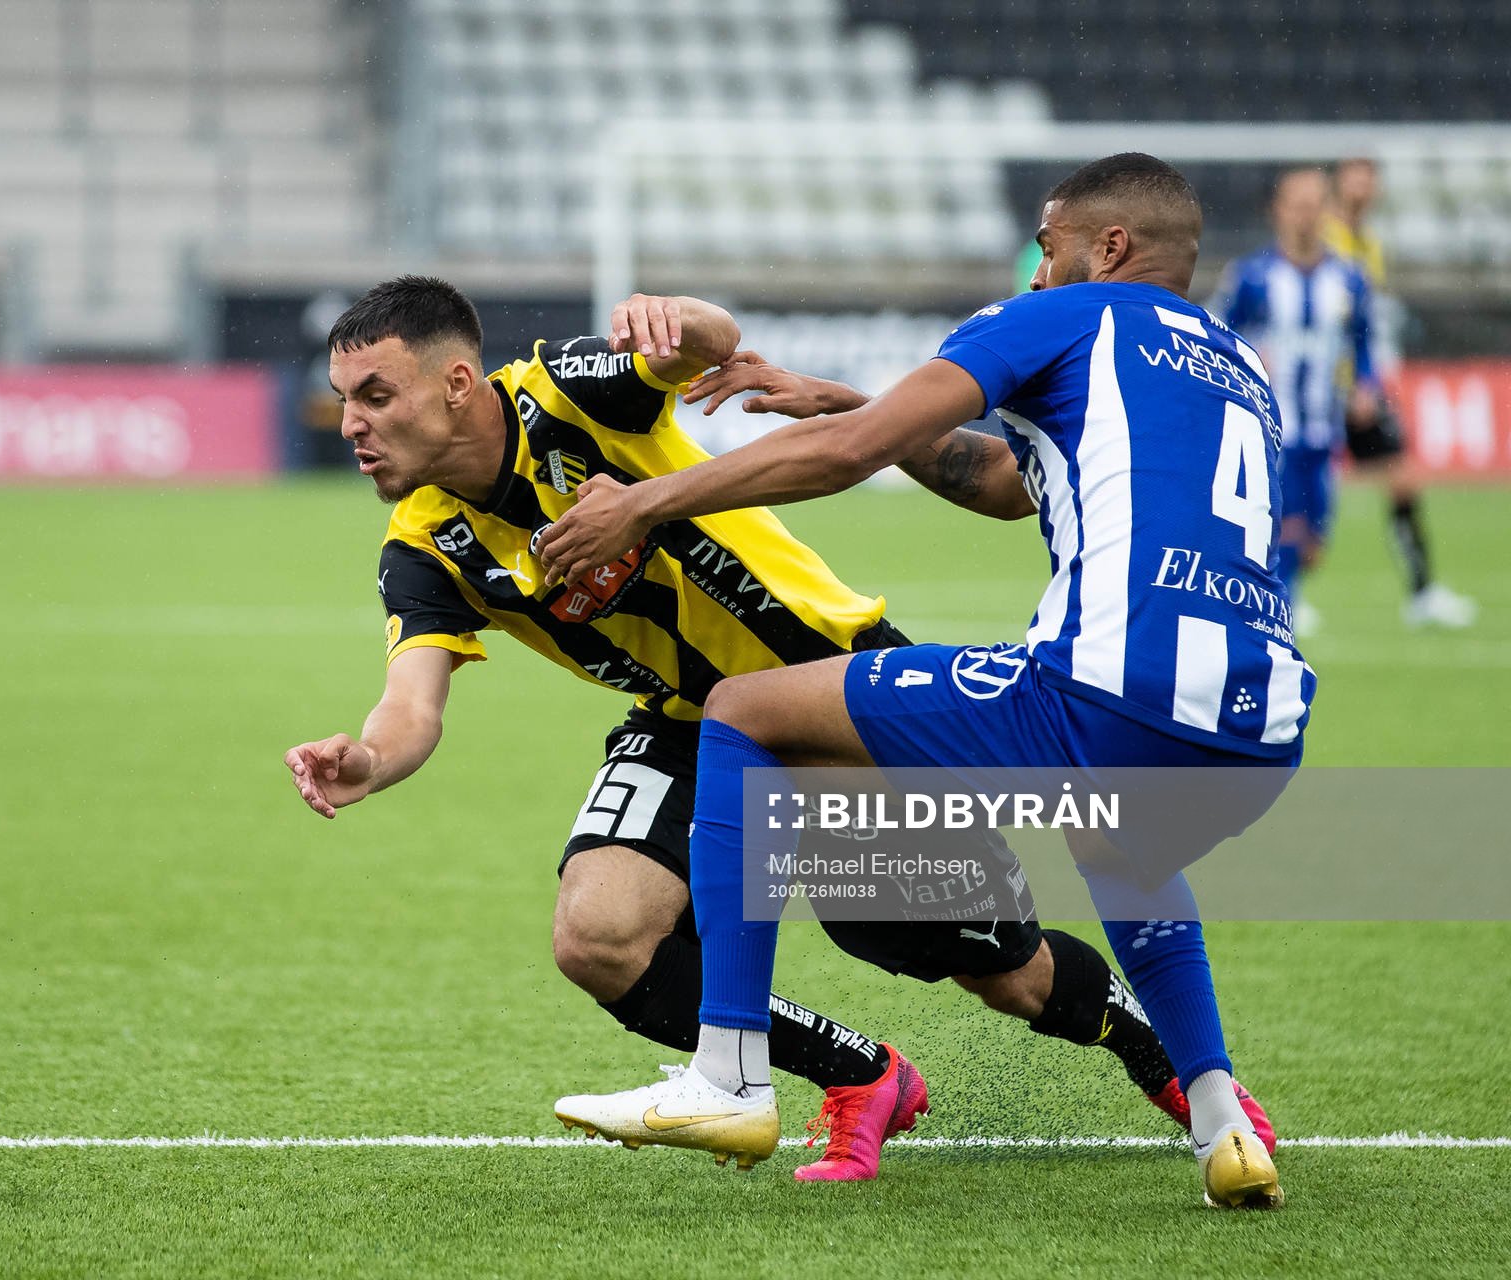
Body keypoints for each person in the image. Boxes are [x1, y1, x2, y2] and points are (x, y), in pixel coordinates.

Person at [285, 275, 1259, 1183]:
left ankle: (1158, 1051)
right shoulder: (423, 543)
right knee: (599, 935)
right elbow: (412, 703)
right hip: (690, 719)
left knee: (992, 964)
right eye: (344, 397)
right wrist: (368, 756)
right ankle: (859, 1071)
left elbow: (710, 342)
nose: (353, 422)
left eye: (375, 393)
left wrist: (676, 315)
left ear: (457, 383)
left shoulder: (562, 393)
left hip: (841, 683)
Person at [540, 154, 1305, 1209]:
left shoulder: (1064, 315)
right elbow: (1004, 480)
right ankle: (1220, 1117)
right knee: (1125, 841)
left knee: (743, 712)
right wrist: (851, 402)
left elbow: (851, 456)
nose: (1038, 262)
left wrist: (648, 502)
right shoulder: (1237, 365)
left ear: (1109, 247)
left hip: (1103, 689)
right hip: (1256, 730)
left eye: (1049, 238)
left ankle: (729, 1070)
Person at [1208, 167, 1378, 635]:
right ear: (1277, 210)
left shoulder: (1349, 279)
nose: (1306, 216)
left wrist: (1367, 384)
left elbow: (1364, 340)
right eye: (1297, 205)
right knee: (1275, 518)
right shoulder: (1252, 277)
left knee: (1315, 536)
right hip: (1269, 424)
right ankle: (1280, 602)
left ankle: (1286, 592)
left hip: (1324, 422)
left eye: (1315, 205)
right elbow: (1216, 333)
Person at [1323, 157, 1477, 629]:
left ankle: (1422, 592)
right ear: (1337, 183)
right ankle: (1279, 595)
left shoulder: (1369, 245)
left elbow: (1368, 324)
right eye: (1355, 175)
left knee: (1404, 477)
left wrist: (1372, 380)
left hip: (1360, 389)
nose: (1364, 185)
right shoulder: (1324, 240)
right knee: (1293, 491)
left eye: (1370, 176)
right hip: (1320, 386)